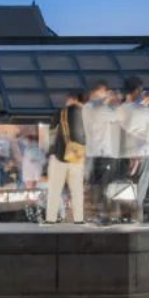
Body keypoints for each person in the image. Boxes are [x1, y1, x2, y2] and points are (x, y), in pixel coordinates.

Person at [118, 83, 149, 223]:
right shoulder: (144, 109)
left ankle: (125, 213)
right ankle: (136, 214)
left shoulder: (122, 108)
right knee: (141, 185)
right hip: (144, 152)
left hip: (126, 152)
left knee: (127, 183)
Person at [82, 85, 122, 223]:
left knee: (95, 185)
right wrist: (115, 101)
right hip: (103, 153)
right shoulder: (100, 108)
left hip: (93, 153)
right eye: (104, 91)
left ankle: (95, 214)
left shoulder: (87, 107)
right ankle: (103, 214)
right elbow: (119, 115)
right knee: (104, 186)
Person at [46, 91, 87, 224]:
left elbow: (51, 133)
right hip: (78, 158)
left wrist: (51, 151)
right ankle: (79, 219)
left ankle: (51, 219)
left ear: (72, 99)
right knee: (77, 191)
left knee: (54, 190)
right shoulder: (86, 115)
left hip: (60, 157)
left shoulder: (61, 113)